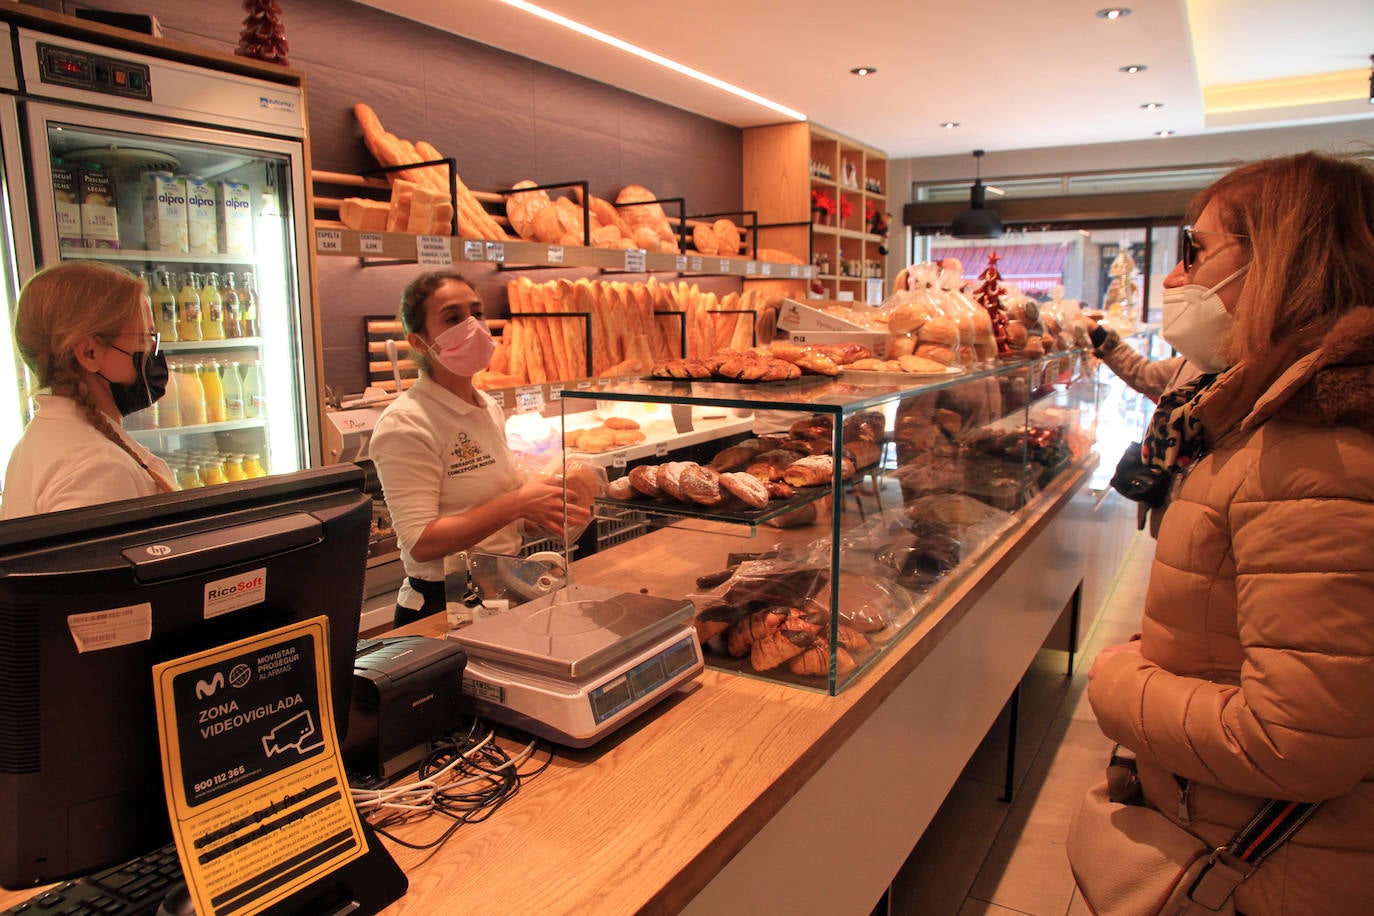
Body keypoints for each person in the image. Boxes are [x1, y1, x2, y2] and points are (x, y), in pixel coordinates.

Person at [1078, 151, 1374, 915]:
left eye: (1197, 253)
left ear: (1284, 260)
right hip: (1234, 827)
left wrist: (1118, 680)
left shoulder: (1318, 448)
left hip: (1264, 861)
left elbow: (1293, 742)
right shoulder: (1272, 415)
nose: (1173, 279)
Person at [369, 271, 590, 627]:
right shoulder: (407, 422)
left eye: (477, 313)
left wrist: (533, 518)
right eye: (453, 318)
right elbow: (421, 542)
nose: (472, 326)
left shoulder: (485, 405)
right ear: (419, 342)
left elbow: (485, 508)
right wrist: (517, 503)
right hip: (441, 606)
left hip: (499, 589)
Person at [2, 262, 175, 518]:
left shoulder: (43, 437)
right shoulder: (98, 468)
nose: (152, 353)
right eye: (144, 339)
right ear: (89, 353)